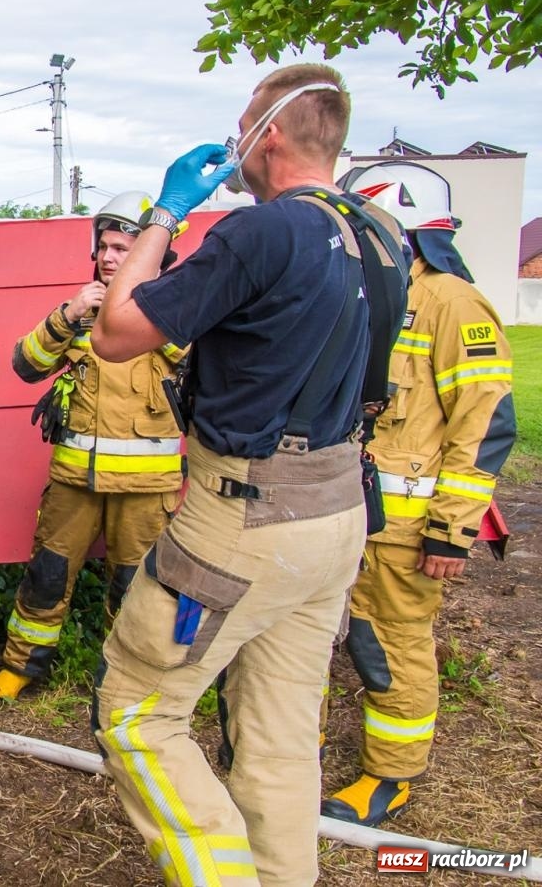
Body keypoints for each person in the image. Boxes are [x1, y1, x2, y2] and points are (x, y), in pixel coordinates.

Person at [86, 64, 408, 887]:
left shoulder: (262, 233)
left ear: (268, 138)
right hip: (336, 516)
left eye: (241, 129)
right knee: (279, 739)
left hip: (245, 518)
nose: (233, 146)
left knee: (136, 713)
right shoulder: (379, 236)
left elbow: (117, 332)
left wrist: (165, 213)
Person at [320, 164, 515, 827]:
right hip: (336, 512)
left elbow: (487, 424)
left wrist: (451, 531)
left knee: (387, 647)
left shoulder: (452, 303)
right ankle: (299, 751)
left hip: (403, 530)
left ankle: (391, 776)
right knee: (317, 637)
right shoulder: (368, 293)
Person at [0, 191, 186, 702]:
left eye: (122, 249)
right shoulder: (80, 315)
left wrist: (147, 310)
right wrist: (70, 314)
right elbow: (26, 365)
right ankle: (21, 666)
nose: (107, 257)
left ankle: (128, 686)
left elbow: (201, 368)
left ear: (151, 255)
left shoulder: (176, 309)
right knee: (47, 575)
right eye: (104, 247)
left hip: (146, 490)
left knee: (138, 590)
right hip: (75, 482)